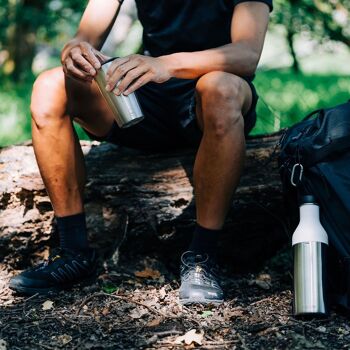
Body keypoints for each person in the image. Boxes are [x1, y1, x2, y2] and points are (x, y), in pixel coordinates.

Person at [9, 0, 272, 304]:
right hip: (144, 98)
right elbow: (82, 40)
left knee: (221, 89)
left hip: (210, 97)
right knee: (49, 85)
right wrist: (74, 53)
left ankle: (202, 257)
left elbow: (247, 55)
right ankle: (73, 252)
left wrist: (166, 64)